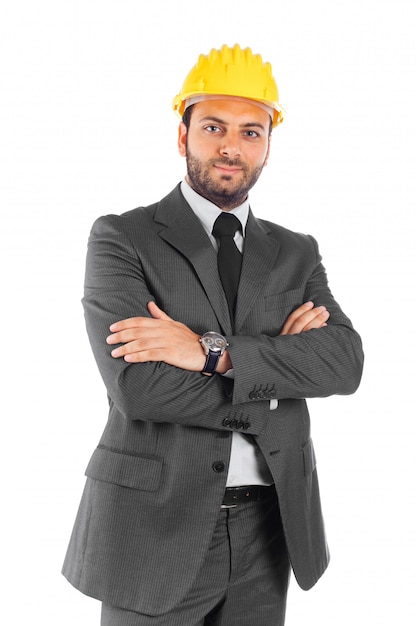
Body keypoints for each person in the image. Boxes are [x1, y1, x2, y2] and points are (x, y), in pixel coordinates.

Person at [62, 44, 364, 625]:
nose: (232, 145)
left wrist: (209, 352)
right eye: (213, 127)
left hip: (270, 527)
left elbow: (344, 364)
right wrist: (276, 386)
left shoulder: (296, 251)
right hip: (153, 527)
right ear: (183, 137)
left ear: (269, 147)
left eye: (252, 132)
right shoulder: (122, 239)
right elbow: (142, 388)